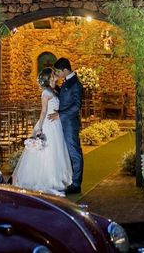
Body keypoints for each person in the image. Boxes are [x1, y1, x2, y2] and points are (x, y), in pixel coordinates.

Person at [11, 68, 73, 195]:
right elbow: (44, 111)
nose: (55, 76)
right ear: (48, 78)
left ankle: (58, 177)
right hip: (48, 124)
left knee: (57, 150)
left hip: (56, 124)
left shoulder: (55, 91)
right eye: (52, 75)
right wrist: (39, 128)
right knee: (48, 151)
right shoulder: (45, 93)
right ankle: (47, 179)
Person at [48, 57, 83, 194]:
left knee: (74, 152)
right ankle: (69, 179)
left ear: (65, 70)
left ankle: (76, 183)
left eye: (58, 71)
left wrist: (60, 115)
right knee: (67, 152)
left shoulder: (75, 84)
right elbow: (64, 98)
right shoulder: (67, 81)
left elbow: (76, 106)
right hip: (63, 122)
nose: (57, 73)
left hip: (70, 123)